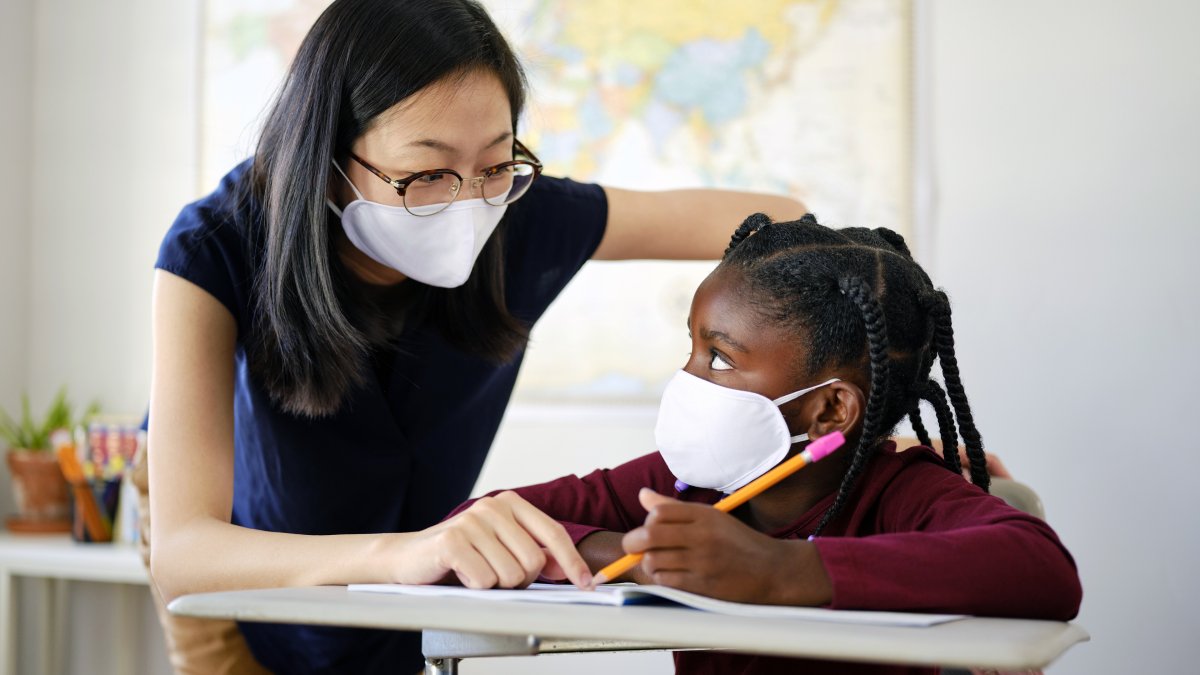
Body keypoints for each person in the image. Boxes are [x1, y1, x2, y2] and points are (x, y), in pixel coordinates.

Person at [143, 0, 809, 673]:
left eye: (495, 165)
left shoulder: (524, 215)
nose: (467, 205)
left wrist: (821, 391)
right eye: (427, 175)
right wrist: (403, 551)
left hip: (411, 625)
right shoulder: (216, 247)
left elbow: (785, 221)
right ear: (328, 156)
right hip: (251, 612)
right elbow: (183, 551)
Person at [446, 213, 1083, 675]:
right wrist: (644, 559)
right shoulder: (679, 488)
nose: (688, 380)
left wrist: (777, 570)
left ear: (830, 408)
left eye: (719, 359)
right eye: (691, 348)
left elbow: (1042, 569)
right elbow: (472, 525)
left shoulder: (904, 493)